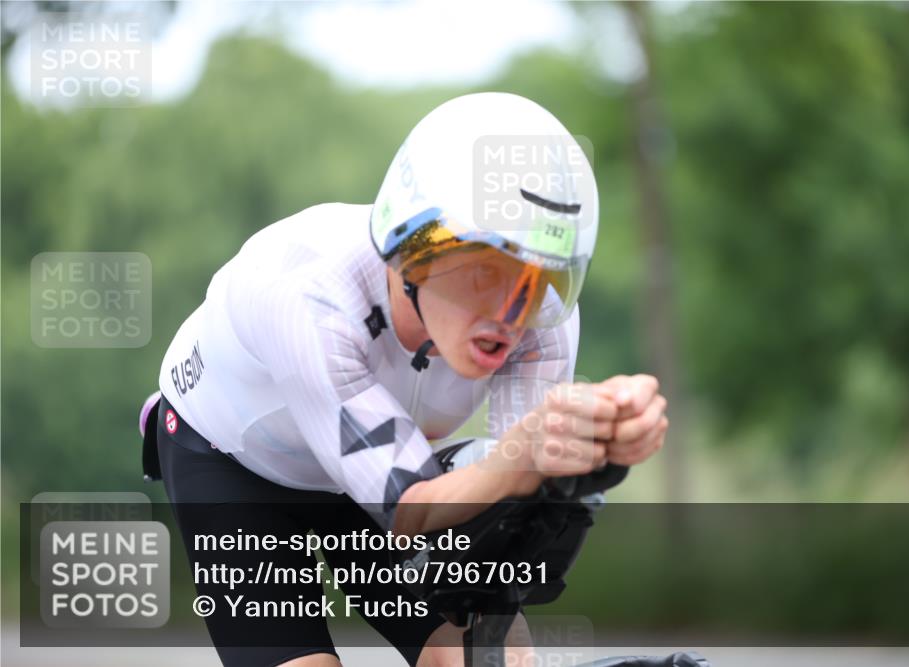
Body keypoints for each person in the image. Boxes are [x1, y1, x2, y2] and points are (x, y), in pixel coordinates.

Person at [140, 92, 669, 667]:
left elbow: (518, 498)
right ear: (414, 250)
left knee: (490, 662)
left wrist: (600, 443)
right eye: (487, 272)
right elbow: (412, 511)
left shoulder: (546, 322)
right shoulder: (310, 297)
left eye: (539, 280)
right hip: (234, 464)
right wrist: (528, 453)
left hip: (376, 469)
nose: (511, 312)